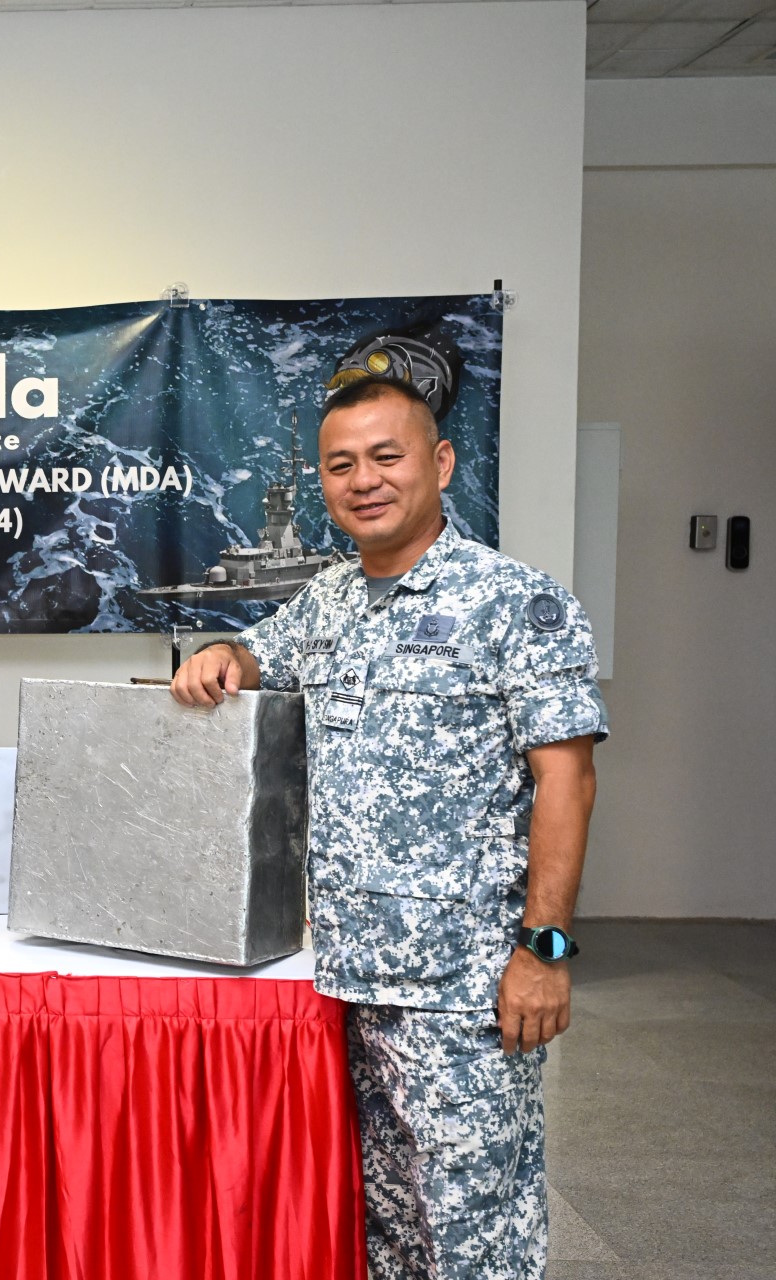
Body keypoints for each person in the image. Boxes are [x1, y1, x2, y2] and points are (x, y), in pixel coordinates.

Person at [170, 376, 605, 1280]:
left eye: (385, 457)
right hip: (342, 978)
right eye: (341, 465)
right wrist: (221, 654)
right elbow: (258, 656)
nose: (363, 480)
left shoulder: (514, 603)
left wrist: (545, 951)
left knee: (471, 1231)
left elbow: (566, 781)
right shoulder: (328, 600)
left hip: (462, 987)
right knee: (389, 1228)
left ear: (440, 464)